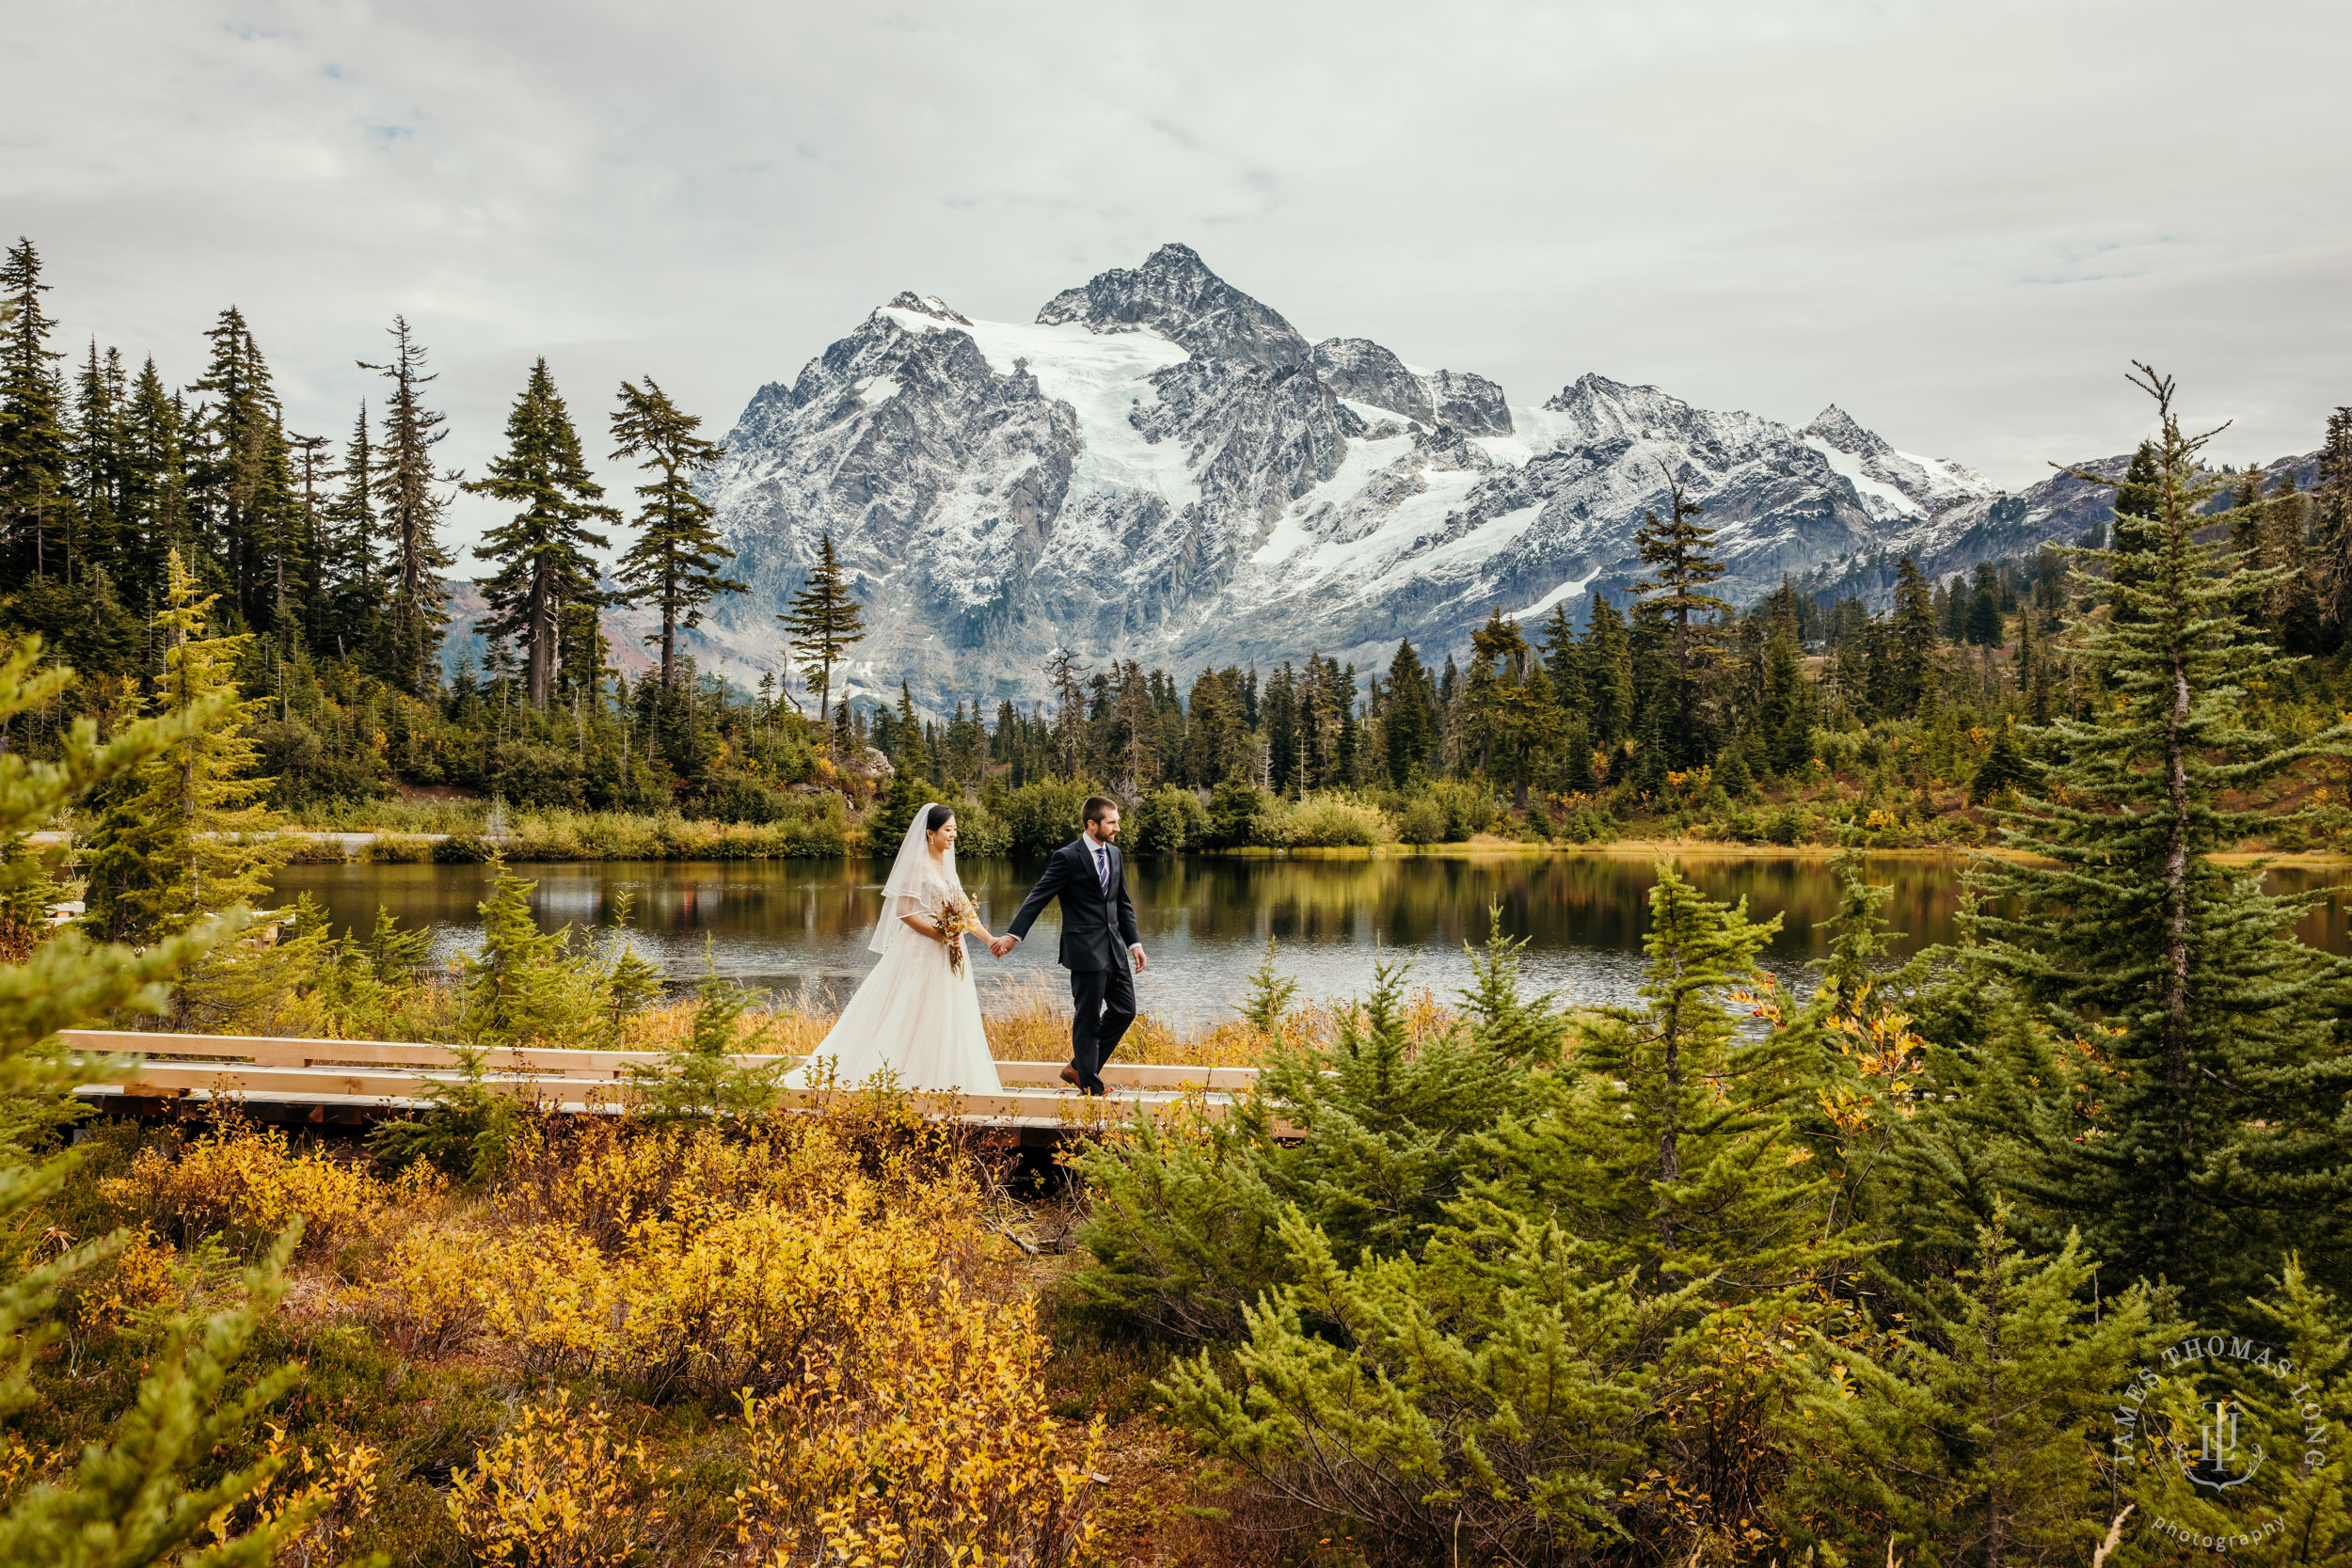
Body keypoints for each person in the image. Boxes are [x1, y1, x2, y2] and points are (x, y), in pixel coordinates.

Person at [788, 803, 1003, 1094]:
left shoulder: (948, 866)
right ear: (930, 834)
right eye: (948, 830)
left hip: (950, 951)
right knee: (909, 1008)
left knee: (947, 1013)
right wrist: (939, 934)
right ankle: (895, 1075)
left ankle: (944, 1080)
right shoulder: (916, 865)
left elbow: (964, 910)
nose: (954, 835)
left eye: (955, 830)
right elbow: (904, 912)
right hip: (921, 950)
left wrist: (989, 940)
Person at [990, 795, 1145, 1096]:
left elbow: (1122, 903)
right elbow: (1039, 896)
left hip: (1115, 948)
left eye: (1116, 822)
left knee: (1125, 1011)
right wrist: (1013, 935)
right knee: (1086, 1017)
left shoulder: (1115, 854)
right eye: (1111, 822)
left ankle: (1077, 1067)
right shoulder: (1067, 857)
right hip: (1084, 950)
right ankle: (1091, 1085)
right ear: (1092, 824)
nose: (1117, 828)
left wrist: (1135, 943)